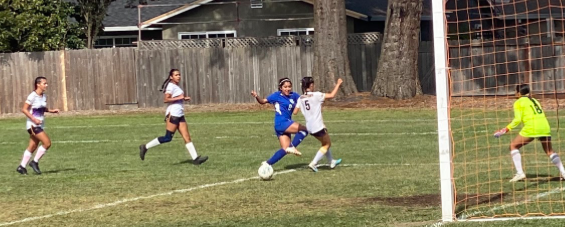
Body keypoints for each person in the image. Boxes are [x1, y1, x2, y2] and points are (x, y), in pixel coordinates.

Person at [494, 84, 565, 182]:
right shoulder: (534, 100)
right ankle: (564, 173)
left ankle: (520, 173)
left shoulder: (518, 102)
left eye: (516, 92)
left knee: (513, 146)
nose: (515, 94)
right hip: (545, 126)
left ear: (519, 93)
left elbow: (517, 120)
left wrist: (505, 130)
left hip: (532, 128)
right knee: (549, 151)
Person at [139, 69, 208, 165]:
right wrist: (180, 98)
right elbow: (166, 99)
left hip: (180, 114)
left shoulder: (175, 86)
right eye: (176, 75)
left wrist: (183, 99)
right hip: (173, 114)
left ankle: (196, 159)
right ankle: (145, 147)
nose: (178, 76)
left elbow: (176, 98)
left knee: (187, 137)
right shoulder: (171, 86)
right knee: (167, 138)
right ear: (171, 77)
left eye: (179, 74)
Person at [251, 77, 309, 168]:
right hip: (282, 123)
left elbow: (304, 100)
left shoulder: (294, 95)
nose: (287, 89)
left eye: (289, 86)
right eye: (285, 87)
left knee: (285, 149)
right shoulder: (276, 96)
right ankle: (292, 146)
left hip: (282, 125)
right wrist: (256, 96)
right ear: (280, 88)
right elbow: (262, 101)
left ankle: (267, 164)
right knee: (305, 130)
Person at [293, 77, 343, 172]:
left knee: (324, 143)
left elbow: (295, 112)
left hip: (310, 127)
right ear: (311, 85)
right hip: (318, 126)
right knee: (327, 144)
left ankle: (331, 161)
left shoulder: (300, 98)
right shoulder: (317, 95)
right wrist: (338, 84)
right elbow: (332, 95)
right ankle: (314, 163)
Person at [17, 76, 60, 175]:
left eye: (46, 83)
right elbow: (24, 109)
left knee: (32, 146)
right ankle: (34, 162)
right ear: (38, 84)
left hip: (39, 124)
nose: (46, 85)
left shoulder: (43, 96)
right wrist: (34, 119)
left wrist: (51, 110)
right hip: (32, 125)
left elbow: (41, 108)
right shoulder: (32, 96)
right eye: (44, 83)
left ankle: (21, 167)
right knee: (47, 143)